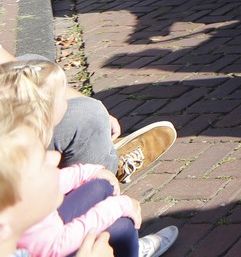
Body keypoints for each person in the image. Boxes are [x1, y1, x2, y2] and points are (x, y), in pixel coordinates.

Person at [1, 61, 177, 257]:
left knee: (102, 185)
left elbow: (46, 182)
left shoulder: (19, 205)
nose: (55, 157)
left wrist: (89, 171)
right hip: (57, 244)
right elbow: (58, 244)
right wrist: (117, 207)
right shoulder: (33, 231)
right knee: (121, 222)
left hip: (49, 232)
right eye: (40, 162)